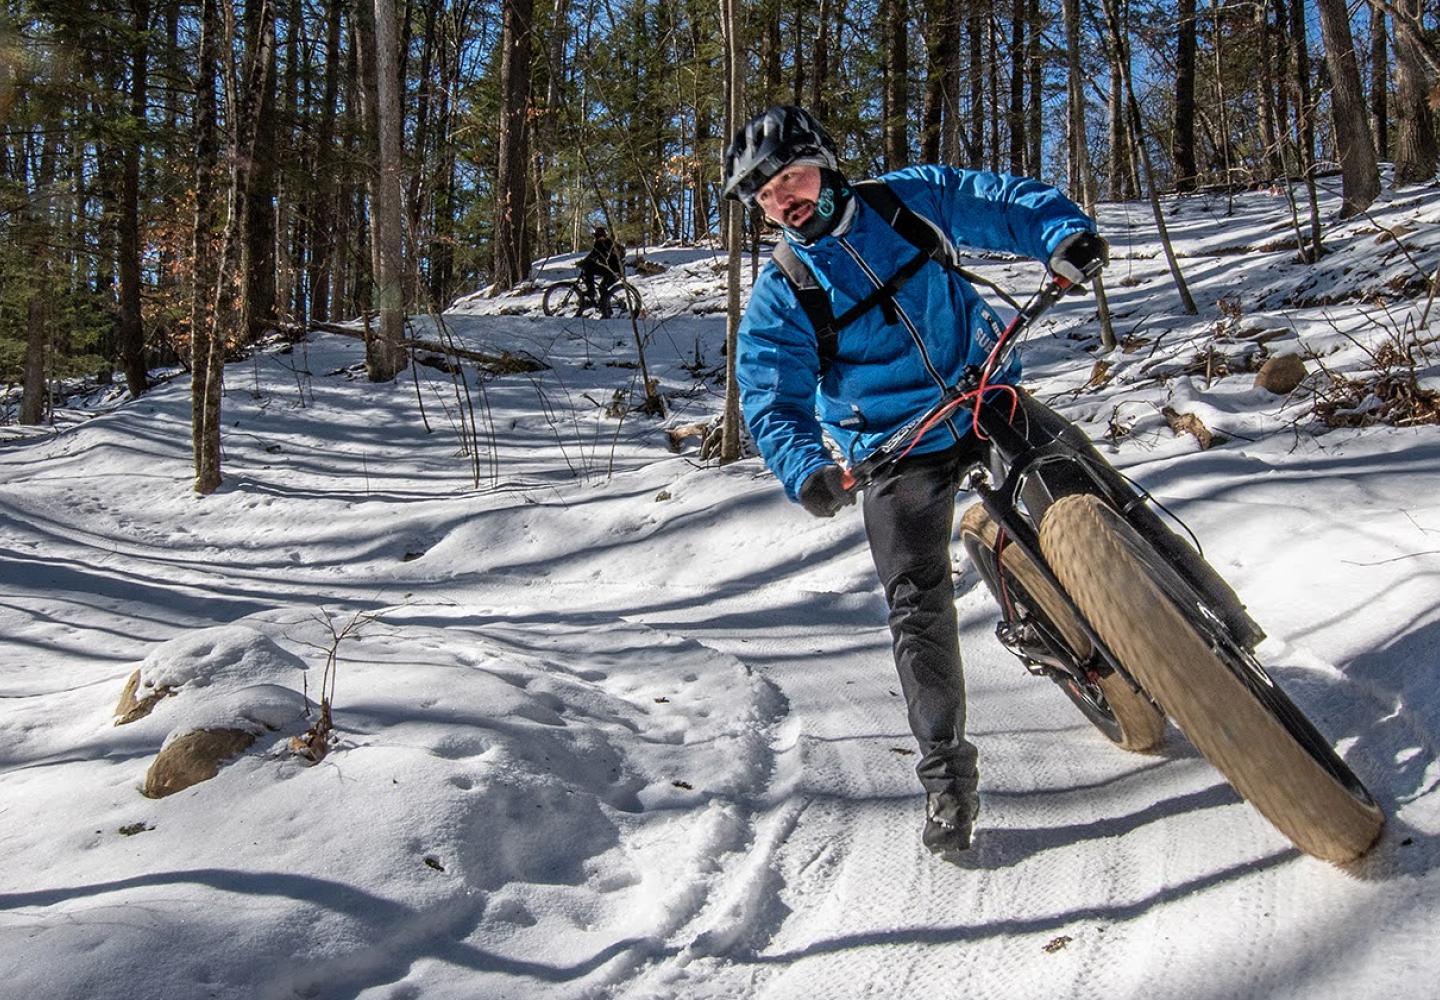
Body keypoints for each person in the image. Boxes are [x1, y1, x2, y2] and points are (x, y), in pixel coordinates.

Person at [725, 105, 1107, 862]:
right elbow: (771, 395)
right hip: (895, 447)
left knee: (1086, 484)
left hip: (984, 392)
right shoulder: (785, 291)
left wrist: (1059, 235)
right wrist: (808, 468)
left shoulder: (904, 202)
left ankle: (1198, 608)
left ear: (825, 165)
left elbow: (997, 202)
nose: (782, 200)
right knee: (916, 605)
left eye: (790, 179)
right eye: (763, 197)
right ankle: (946, 777)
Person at [580, 226, 626, 317]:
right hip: (609, 269)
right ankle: (605, 308)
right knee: (600, 286)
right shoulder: (601, 243)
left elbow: (593, 255)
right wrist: (583, 262)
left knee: (600, 285)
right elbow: (593, 255)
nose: (597, 238)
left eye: (599, 236)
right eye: (597, 236)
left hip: (615, 271)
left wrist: (584, 262)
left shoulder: (607, 243)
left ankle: (594, 295)